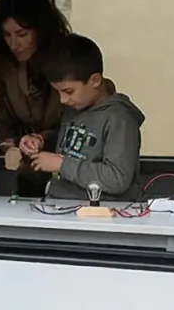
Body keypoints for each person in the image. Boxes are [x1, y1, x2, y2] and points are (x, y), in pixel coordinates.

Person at [25, 34, 145, 203]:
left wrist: (62, 165)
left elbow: (117, 178)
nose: (62, 100)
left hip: (105, 214)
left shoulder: (120, 118)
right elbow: (77, 145)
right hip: (60, 204)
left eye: (68, 91)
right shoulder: (76, 107)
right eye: (57, 92)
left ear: (94, 80)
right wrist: (40, 140)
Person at [0, 0, 71, 184]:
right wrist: (8, 146)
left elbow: (82, 124)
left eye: (22, 34)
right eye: (7, 35)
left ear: (41, 30)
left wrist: (43, 139)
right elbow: (3, 122)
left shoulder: (69, 61)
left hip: (69, 171)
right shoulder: (4, 68)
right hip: (24, 171)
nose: (14, 44)